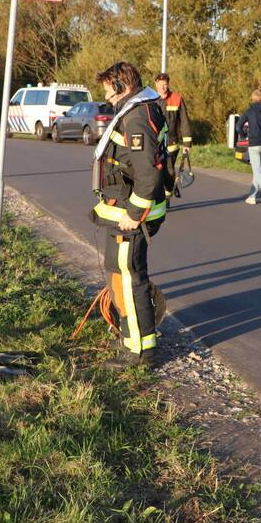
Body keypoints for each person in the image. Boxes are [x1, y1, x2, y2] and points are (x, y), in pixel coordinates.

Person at [93, 62, 168, 368]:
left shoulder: (136, 117)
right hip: (122, 209)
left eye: (109, 90)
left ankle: (138, 353)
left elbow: (148, 174)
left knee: (130, 278)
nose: (107, 97)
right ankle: (131, 338)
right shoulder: (137, 110)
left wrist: (134, 213)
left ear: (122, 87)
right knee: (119, 272)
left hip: (130, 214)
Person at [154, 72, 192, 200]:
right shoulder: (151, 100)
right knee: (154, 172)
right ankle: (157, 195)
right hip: (154, 143)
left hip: (172, 143)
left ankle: (167, 195)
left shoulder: (177, 99)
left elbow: (184, 121)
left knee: (169, 171)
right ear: (156, 84)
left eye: (165, 85)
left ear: (168, 84)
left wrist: (187, 144)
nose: (163, 87)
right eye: (161, 85)